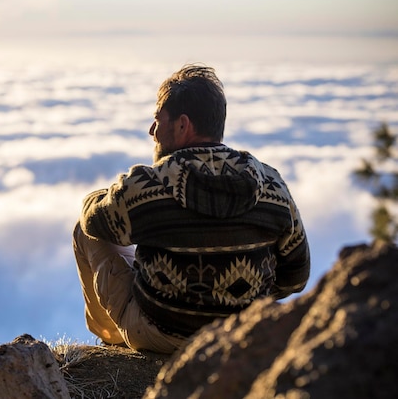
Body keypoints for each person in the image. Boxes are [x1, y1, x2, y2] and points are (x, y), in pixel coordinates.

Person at [72, 64, 311, 354]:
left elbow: (93, 220)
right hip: (239, 337)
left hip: (159, 334)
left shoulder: (148, 187)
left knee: (85, 232)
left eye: (157, 120)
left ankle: (111, 339)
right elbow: (297, 276)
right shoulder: (272, 184)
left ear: (182, 125)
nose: (152, 131)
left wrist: (106, 194)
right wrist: (240, 300)